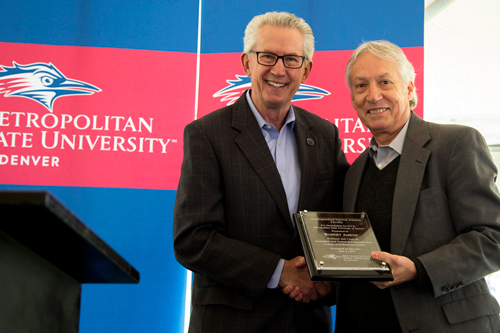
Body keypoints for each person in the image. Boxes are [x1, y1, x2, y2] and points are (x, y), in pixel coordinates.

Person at [173, 12, 349, 333]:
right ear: (246, 62)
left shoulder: (325, 135)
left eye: (292, 59)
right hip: (232, 323)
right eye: (267, 56)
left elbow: (340, 221)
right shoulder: (207, 134)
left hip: (307, 321)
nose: (278, 69)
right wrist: (280, 271)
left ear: (306, 70)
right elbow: (193, 239)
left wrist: (331, 280)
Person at [335, 40, 500, 332]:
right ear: (352, 99)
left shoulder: (456, 144)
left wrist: (418, 269)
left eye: (385, 82)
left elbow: (493, 238)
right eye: (361, 86)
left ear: (410, 89)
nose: (373, 95)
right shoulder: (354, 171)